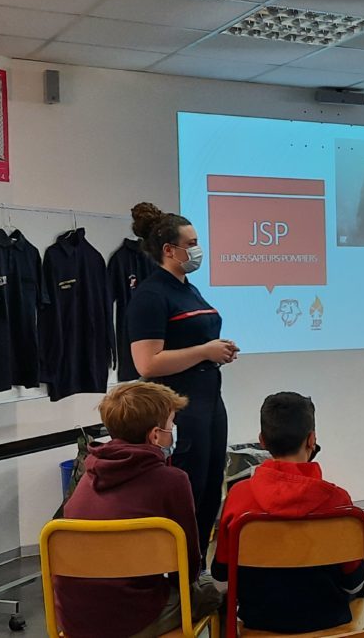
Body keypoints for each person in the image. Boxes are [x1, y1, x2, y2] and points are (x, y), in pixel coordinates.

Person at [55, 382, 222, 638]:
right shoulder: (172, 480)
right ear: (155, 435)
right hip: (135, 618)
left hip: (75, 619)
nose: (173, 431)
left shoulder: (86, 476)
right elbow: (187, 569)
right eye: (171, 425)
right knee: (213, 591)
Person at [128, 202, 239, 566]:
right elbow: (147, 363)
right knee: (187, 490)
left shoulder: (187, 288)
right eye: (191, 243)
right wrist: (205, 350)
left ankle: (197, 570)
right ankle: (179, 574)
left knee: (209, 491)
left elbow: (194, 339)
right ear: (168, 250)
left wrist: (217, 350)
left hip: (209, 402)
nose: (197, 249)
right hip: (179, 409)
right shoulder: (150, 295)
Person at [211, 392, 364, 634]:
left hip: (258, 623)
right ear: (312, 439)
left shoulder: (239, 498)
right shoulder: (339, 502)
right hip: (330, 622)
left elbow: (221, 581)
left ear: (262, 440)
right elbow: (354, 584)